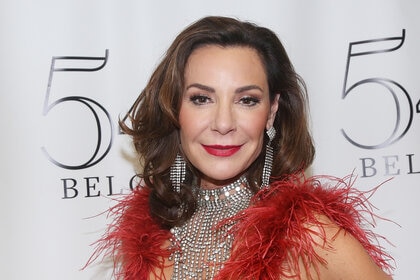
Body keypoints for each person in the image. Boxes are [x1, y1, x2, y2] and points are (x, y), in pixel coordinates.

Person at [90, 16, 393, 279]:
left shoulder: (309, 235)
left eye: (246, 100)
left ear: (271, 111)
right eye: (201, 99)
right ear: (174, 108)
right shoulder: (152, 233)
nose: (223, 123)